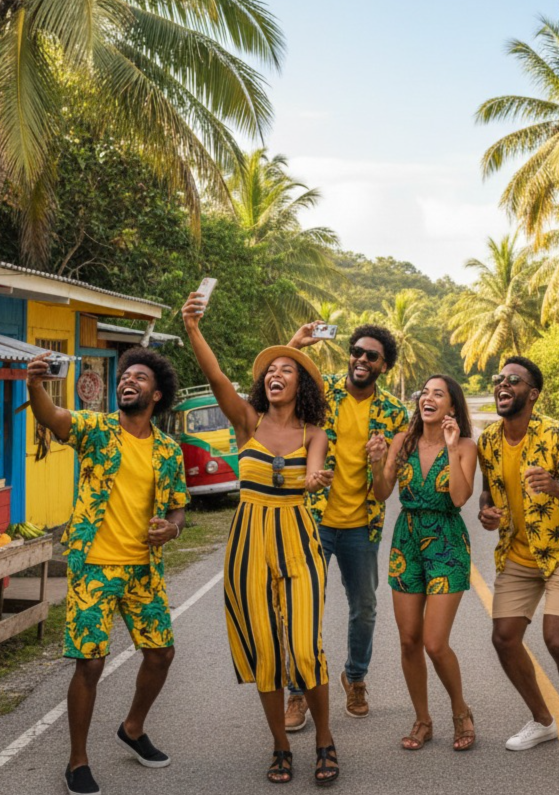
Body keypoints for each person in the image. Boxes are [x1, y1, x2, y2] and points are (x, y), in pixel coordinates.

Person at [182, 292, 339, 785]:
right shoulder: (246, 422)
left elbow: (315, 471)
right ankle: (279, 745)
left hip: (297, 536)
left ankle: (324, 739)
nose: (275, 374)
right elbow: (215, 378)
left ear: (301, 384)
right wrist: (192, 328)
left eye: (286, 369)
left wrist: (314, 480)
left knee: (306, 649)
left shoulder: (315, 432)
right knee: (266, 653)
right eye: (269, 370)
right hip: (249, 541)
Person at [26, 348, 186, 795]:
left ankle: (132, 728)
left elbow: (178, 511)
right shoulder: (96, 430)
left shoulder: (168, 451)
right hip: (94, 566)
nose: (127, 381)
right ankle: (77, 762)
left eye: (138, 377)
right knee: (91, 662)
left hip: (142, 571)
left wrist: (169, 532)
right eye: (124, 376)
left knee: (161, 654)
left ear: (156, 393)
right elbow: (54, 417)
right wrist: (36, 385)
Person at [283, 322, 409, 728]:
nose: (360, 359)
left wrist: (378, 460)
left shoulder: (394, 414)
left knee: (365, 608)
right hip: (314, 519)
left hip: (362, 526)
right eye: (356, 351)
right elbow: (276, 381)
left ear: (383, 365)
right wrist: (296, 344)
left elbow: (384, 491)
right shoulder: (323, 390)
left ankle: (355, 679)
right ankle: (297, 693)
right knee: (304, 607)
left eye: (371, 355)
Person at [477, 356, 559, 763]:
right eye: (499, 379)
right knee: (504, 637)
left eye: (514, 379)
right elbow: (487, 494)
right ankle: (543, 720)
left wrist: (554, 486)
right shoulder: (489, 440)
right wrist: (486, 513)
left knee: (557, 638)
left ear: (533, 393)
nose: (503, 384)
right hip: (518, 551)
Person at [370, 375, 478, 752]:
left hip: (446, 542)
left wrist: (450, 448)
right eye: (425, 393)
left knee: (434, 642)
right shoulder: (403, 442)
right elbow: (382, 492)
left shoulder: (464, 446)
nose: (428, 399)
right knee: (408, 639)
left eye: (438, 394)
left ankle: (461, 711)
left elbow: (460, 498)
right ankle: (422, 719)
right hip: (407, 542)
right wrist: (376, 461)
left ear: (451, 407)